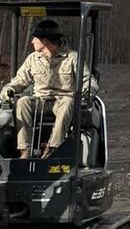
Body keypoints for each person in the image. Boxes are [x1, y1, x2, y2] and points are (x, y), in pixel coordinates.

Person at [0, 20, 90, 159]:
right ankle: (25, 151)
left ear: (45, 41)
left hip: (62, 101)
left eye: (35, 38)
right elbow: (19, 80)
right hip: (40, 101)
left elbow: (88, 80)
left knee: (68, 102)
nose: (32, 41)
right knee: (23, 102)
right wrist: (9, 89)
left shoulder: (72, 57)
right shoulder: (33, 59)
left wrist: (85, 90)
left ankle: (52, 148)